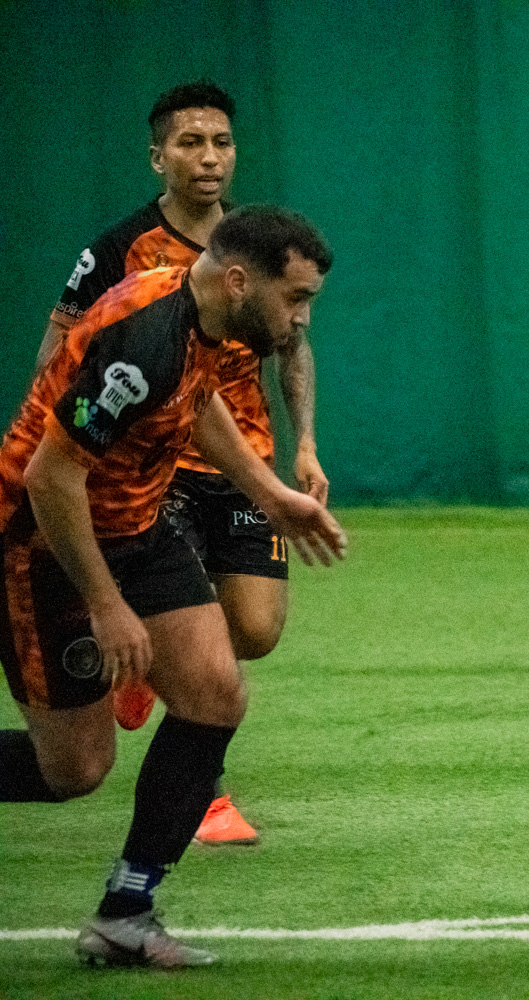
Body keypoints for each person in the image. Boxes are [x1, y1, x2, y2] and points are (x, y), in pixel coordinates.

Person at [0, 205, 345, 968]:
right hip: (43, 541)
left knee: (215, 695)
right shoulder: (145, 340)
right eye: (294, 299)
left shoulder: (200, 315)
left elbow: (200, 400)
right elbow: (49, 478)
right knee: (75, 771)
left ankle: (126, 914)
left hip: (135, 526)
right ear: (239, 280)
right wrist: (106, 603)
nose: (300, 320)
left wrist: (269, 495)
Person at [39, 79, 327, 844]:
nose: (209, 157)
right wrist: (75, 436)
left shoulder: (258, 246)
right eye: (191, 142)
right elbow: (58, 357)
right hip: (153, 472)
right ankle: (203, 797)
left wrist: (300, 448)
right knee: (193, 648)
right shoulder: (121, 253)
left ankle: (152, 667)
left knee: (256, 629)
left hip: (240, 460)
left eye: (222, 142)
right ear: (157, 156)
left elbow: (287, 351)